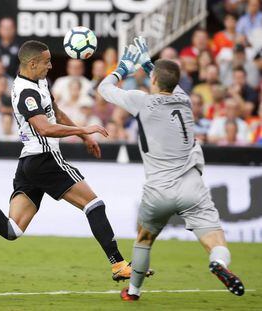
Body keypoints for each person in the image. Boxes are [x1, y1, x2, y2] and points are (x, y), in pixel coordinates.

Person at [0, 40, 153, 282]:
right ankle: (118, 264)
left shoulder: (38, 82)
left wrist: (83, 136)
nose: (50, 66)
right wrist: (84, 127)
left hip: (29, 162)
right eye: (47, 61)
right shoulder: (25, 92)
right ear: (32, 63)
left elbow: (56, 112)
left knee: (12, 229)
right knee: (93, 204)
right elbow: (45, 127)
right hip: (45, 157)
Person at [98, 37, 244, 301]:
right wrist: (147, 62)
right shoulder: (185, 100)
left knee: (144, 238)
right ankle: (219, 264)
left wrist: (123, 67)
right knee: (216, 240)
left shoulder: (141, 101)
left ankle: (133, 291)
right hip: (192, 187)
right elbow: (165, 78)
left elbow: (104, 88)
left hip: (158, 190)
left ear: (153, 81)